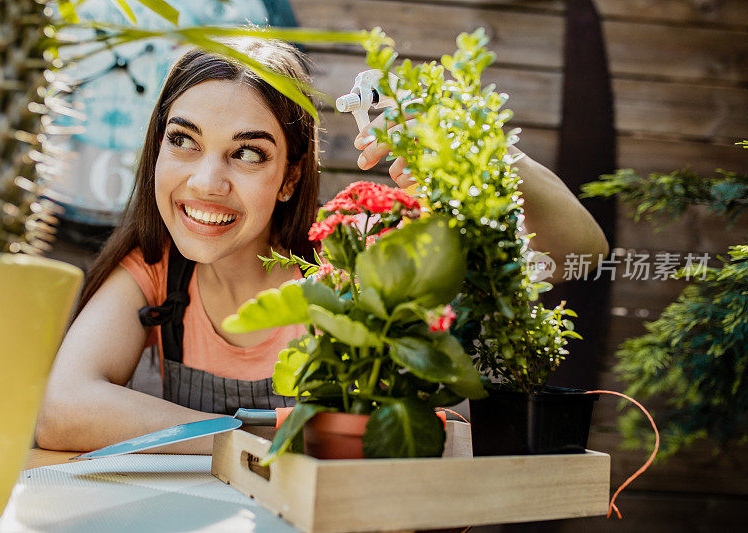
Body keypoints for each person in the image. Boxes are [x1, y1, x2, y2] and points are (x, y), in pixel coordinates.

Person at [36, 36, 608, 454]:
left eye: (248, 152)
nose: (207, 181)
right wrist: (259, 442)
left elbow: (578, 249)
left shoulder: (351, 258)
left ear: (289, 177)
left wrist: (471, 140)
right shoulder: (158, 273)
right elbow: (63, 410)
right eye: (184, 141)